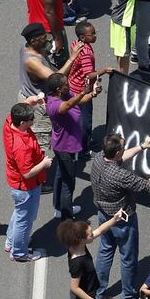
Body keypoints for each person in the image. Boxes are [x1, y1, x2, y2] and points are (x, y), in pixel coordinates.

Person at [91, 133, 150, 299]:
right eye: (122, 148)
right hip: (123, 219)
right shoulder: (120, 175)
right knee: (128, 258)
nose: (124, 151)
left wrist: (142, 146)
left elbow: (121, 156)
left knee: (105, 251)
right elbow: (149, 186)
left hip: (103, 214)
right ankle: (128, 295)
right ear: (116, 153)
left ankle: (99, 290)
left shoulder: (98, 158)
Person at [19, 22, 84, 194]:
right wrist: (72, 58)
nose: (46, 40)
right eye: (43, 38)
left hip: (32, 96)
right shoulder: (32, 61)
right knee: (40, 142)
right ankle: (37, 181)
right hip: (38, 105)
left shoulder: (29, 48)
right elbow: (55, 78)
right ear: (33, 40)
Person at [3, 102, 53, 262]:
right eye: (31, 119)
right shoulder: (21, 147)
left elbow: (21, 105)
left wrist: (35, 100)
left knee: (19, 215)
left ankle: (12, 241)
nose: (34, 120)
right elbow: (27, 173)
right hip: (25, 187)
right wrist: (44, 164)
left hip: (17, 184)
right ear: (23, 123)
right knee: (24, 220)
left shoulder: (10, 123)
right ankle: (19, 252)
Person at [46, 72, 99, 218]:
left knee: (60, 175)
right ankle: (67, 216)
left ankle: (59, 207)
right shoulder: (54, 105)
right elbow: (68, 105)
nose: (68, 86)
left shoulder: (63, 94)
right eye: (66, 85)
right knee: (68, 183)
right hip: (66, 148)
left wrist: (93, 94)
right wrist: (83, 92)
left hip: (62, 146)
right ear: (58, 89)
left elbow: (79, 101)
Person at [69, 21, 113, 157]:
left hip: (73, 84)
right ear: (83, 37)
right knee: (85, 121)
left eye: (95, 33)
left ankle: (84, 141)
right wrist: (105, 70)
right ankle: (84, 149)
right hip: (82, 89)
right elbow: (89, 74)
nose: (95, 36)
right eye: (92, 34)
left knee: (78, 118)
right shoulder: (86, 53)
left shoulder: (76, 45)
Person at [24, 0, 69, 67]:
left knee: (44, 65)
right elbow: (49, 12)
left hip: (36, 28)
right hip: (50, 32)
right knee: (63, 66)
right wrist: (58, 39)